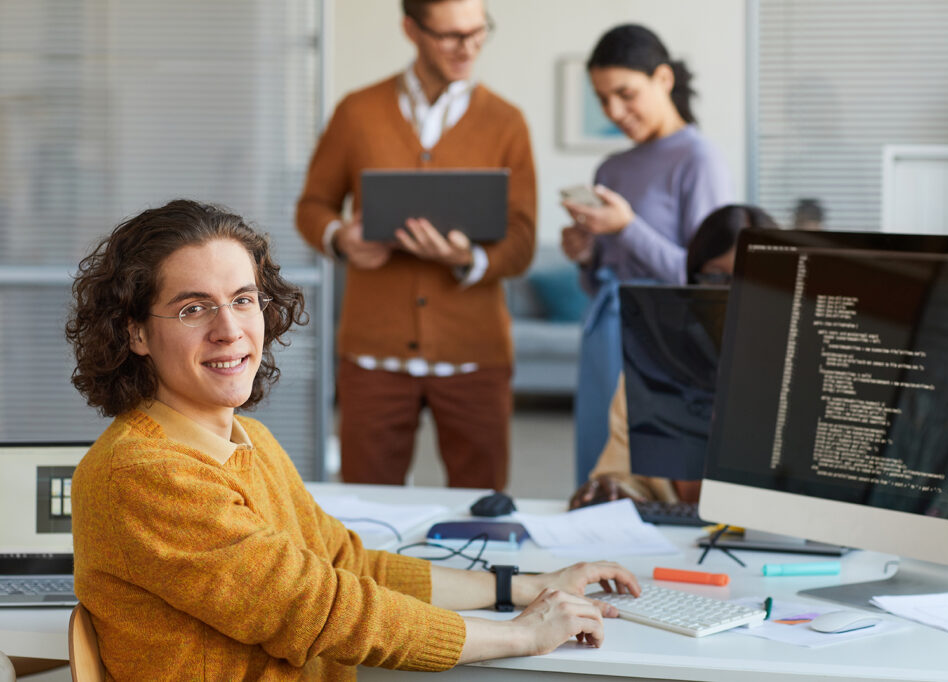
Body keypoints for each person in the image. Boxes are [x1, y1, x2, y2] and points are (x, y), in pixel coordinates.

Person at [66, 199, 639, 680]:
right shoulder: (143, 471)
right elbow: (325, 610)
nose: (230, 329)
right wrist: (520, 636)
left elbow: (346, 565)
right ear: (136, 331)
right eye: (193, 308)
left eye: (243, 299)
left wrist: (525, 585)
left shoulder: (250, 441)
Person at [295, 0, 535, 490]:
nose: (467, 48)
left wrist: (468, 259)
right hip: (373, 354)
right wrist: (341, 239)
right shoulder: (357, 111)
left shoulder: (506, 122)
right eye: (450, 36)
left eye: (477, 32)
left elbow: (523, 240)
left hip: (474, 352)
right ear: (411, 29)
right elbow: (312, 206)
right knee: (368, 509)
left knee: (482, 507)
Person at [559, 24, 734, 487]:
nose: (614, 111)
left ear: (664, 79)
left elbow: (707, 280)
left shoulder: (699, 159)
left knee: (650, 473)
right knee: (598, 462)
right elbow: (599, 283)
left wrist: (628, 228)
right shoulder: (611, 167)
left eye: (625, 93)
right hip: (605, 330)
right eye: (602, 99)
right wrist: (586, 255)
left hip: (664, 338)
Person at [568, 205, 777, 510]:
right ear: (693, 281)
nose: (734, 297)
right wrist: (615, 487)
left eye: (750, 280)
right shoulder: (654, 366)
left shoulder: (809, 376)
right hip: (677, 545)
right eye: (717, 279)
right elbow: (623, 470)